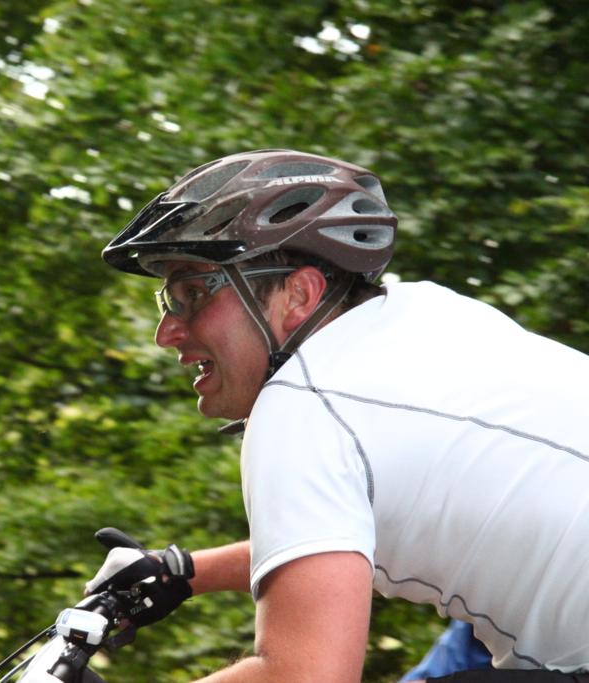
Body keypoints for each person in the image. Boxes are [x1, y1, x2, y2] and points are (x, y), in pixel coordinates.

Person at [86, 149, 589, 682]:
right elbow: (342, 542)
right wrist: (185, 572)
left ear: (299, 294)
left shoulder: (303, 404)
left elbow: (303, 676)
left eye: (192, 294)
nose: (166, 332)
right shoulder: (428, 315)